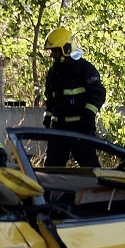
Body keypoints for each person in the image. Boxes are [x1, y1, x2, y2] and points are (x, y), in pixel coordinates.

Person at [41, 26, 106, 168]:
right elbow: (51, 98)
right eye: (51, 51)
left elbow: (98, 93)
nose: (52, 55)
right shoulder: (53, 72)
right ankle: (52, 191)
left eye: (55, 51)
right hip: (59, 129)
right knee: (52, 171)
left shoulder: (85, 68)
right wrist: (48, 116)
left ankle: (97, 190)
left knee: (90, 170)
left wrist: (89, 114)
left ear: (66, 49)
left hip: (81, 128)